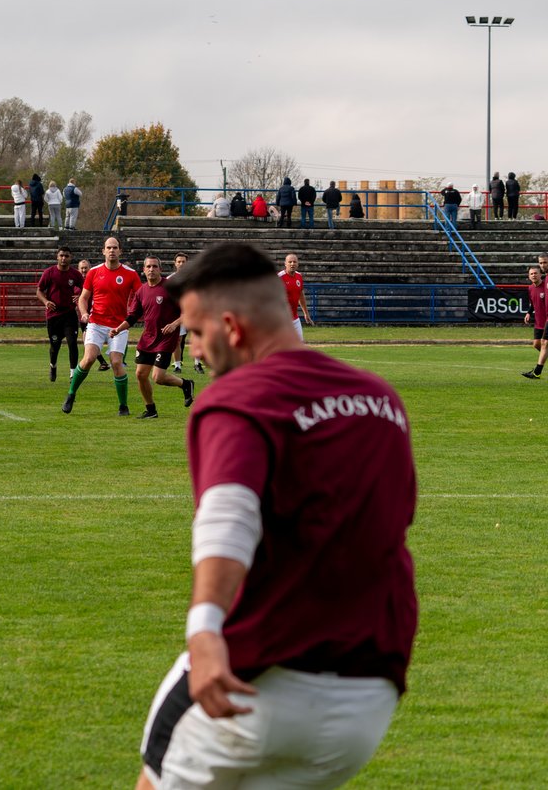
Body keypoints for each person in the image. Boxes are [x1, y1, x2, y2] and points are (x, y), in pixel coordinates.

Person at [137, 240, 417, 790]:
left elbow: (228, 516)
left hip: (261, 675)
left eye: (194, 333)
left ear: (233, 327)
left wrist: (204, 629)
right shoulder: (380, 399)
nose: (193, 350)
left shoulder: (240, 397)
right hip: (368, 695)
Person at [61, 237, 141, 415]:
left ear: (120, 251)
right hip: (96, 323)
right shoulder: (94, 272)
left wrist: (132, 315)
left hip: (118, 327)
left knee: (116, 363)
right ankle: (71, 394)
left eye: (115, 247)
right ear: (103, 251)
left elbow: (141, 297)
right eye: (108, 248)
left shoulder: (130, 274)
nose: (111, 250)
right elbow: (83, 298)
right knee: (89, 358)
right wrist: (83, 313)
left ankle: (123, 405)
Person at [109, 256, 195, 419]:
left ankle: (186, 384)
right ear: (144, 270)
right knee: (140, 374)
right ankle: (151, 410)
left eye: (155, 266)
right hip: (148, 338)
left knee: (158, 377)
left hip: (166, 337)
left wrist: (175, 324)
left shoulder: (171, 287)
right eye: (148, 266)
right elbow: (133, 316)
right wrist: (118, 329)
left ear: (160, 270)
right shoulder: (141, 291)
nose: (151, 269)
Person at [37, 247, 85, 382]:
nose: (64, 258)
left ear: (71, 258)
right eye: (62, 255)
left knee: (72, 343)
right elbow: (39, 291)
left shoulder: (75, 274)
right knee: (55, 345)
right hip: (53, 316)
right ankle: (53, 366)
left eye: (67, 256)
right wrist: (46, 301)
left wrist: (80, 296)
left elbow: (86, 289)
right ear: (57, 257)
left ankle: (72, 373)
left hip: (69, 314)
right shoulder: (49, 273)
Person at [169, 252, 205, 376]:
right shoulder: (170, 279)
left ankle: (197, 363)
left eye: (183, 262)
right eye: (179, 262)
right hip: (178, 314)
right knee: (177, 340)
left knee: (197, 337)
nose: (181, 264)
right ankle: (177, 365)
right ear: (175, 264)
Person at [278, 252, 314, 339]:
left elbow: (301, 295)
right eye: (290, 262)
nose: (292, 264)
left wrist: (306, 313)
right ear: (285, 264)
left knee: (299, 346)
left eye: (294, 262)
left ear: (298, 264)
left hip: (295, 318)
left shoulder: (299, 276)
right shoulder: (279, 278)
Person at [523, 265, 548, 380]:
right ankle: (538, 368)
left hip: (546, 320)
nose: (534, 275)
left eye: (535, 273)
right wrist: (528, 313)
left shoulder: (546, 286)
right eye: (531, 274)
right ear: (529, 276)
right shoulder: (530, 288)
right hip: (538, 321)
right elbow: (532, 304)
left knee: (544, 344)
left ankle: (537, 371)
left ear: (540, 274)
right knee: (536, 344)